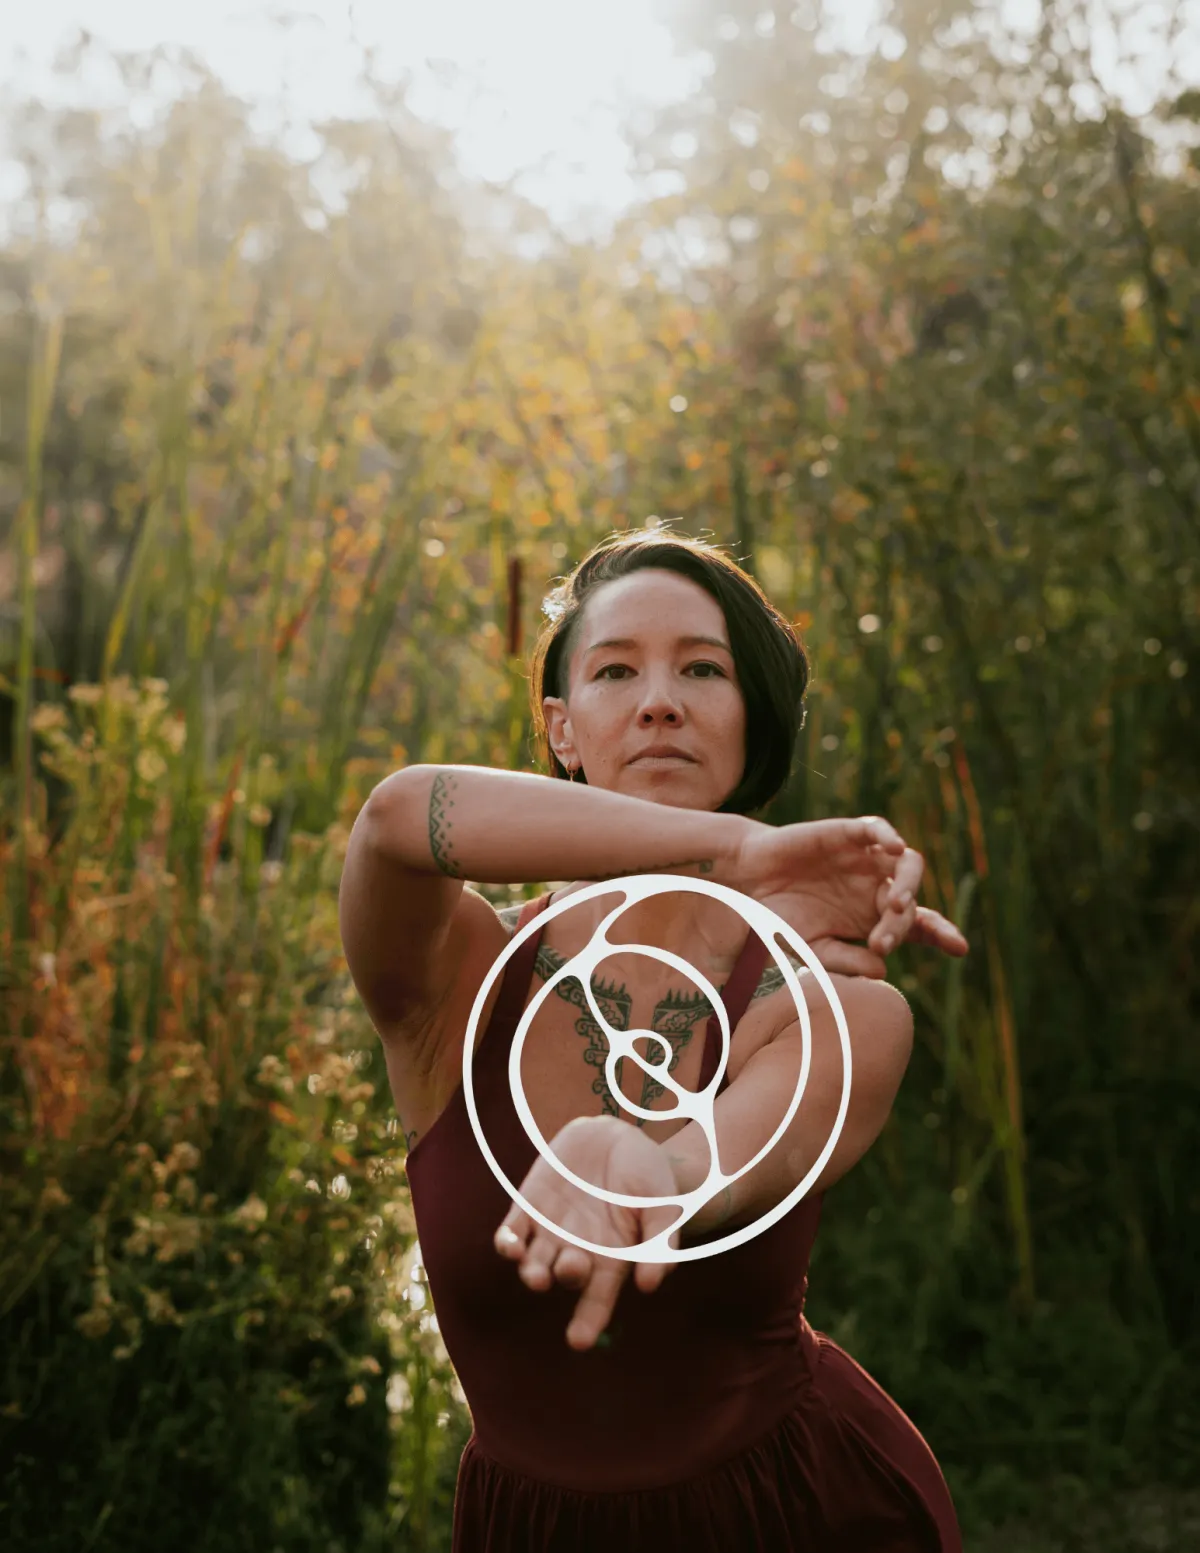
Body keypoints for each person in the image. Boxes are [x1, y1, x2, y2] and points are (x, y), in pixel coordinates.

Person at [339, 529, 970, 1551]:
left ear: (749, 719)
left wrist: (645, 1162)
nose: (660, 698)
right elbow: (395, 820)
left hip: (795, 1513)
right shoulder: (454, 987)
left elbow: (724, 1154)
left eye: (704, 668)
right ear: (562, 726)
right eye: (616, 668)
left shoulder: (838, 1001)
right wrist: (733, 847)